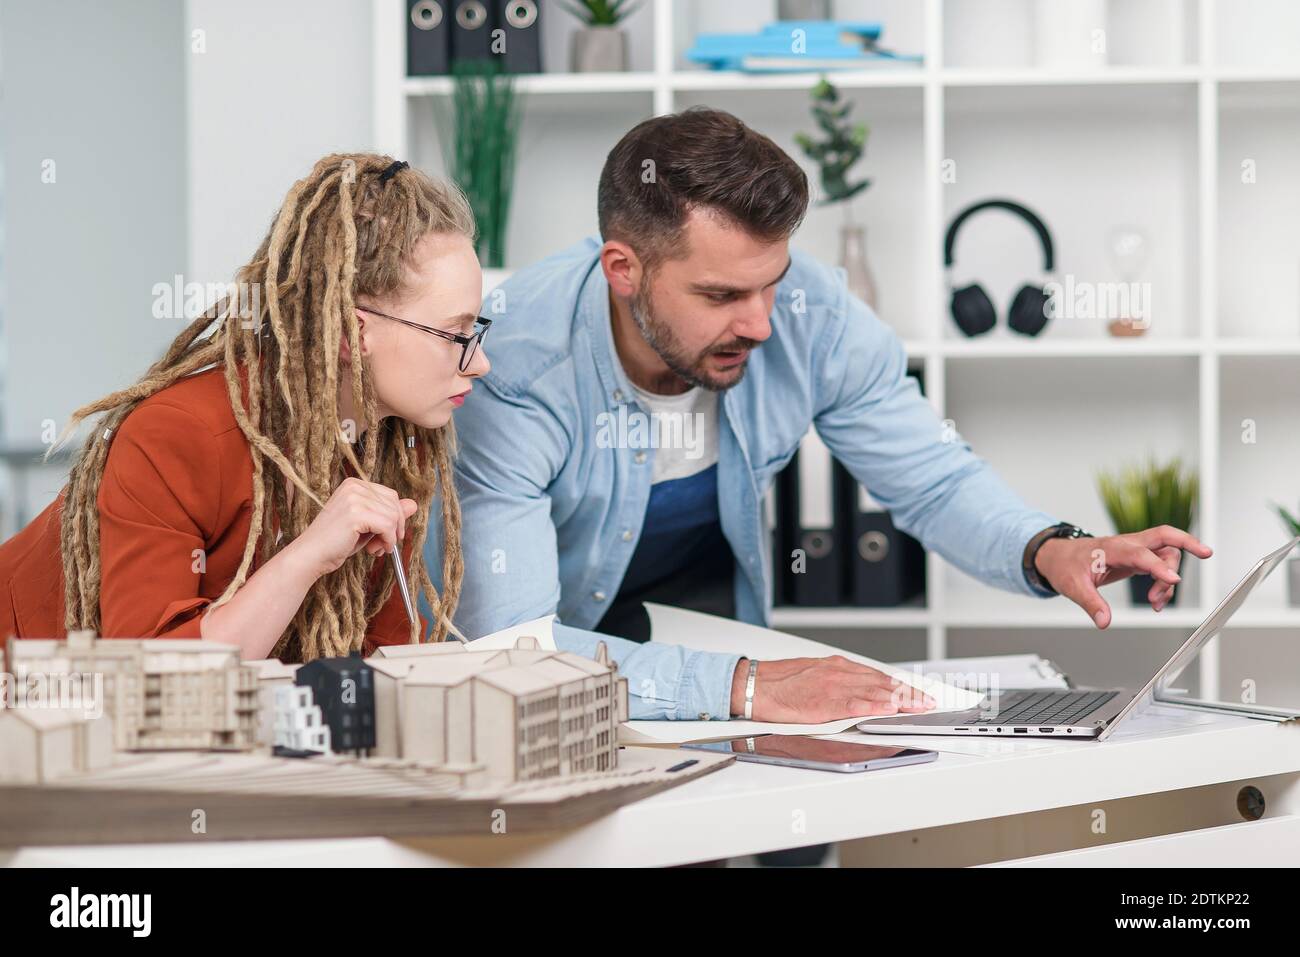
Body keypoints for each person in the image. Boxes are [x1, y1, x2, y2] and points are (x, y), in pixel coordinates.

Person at [431, 107, 1212, 723]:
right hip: (557, 640)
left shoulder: (811, 315)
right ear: (623, 269)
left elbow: (932, 479)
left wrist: (1048, 548)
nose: (763, 323)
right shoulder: (511, 367)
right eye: (721, 295)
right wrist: (746, 686)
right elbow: (514, 649)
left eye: (771, 280)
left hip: (704, 611)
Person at [0, 153, 489, 662]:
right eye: (456, 333)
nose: (481, 364)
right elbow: (158, 679)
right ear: (352, 331)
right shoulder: (176, 434)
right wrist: (307, 557)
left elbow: (385, 662)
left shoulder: (387, 444)